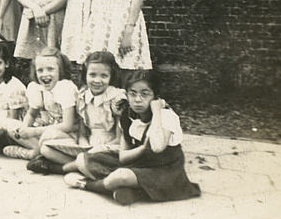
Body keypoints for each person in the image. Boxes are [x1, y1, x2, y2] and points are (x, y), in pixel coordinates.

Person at [63, 71, 201, 205]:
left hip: (164, 172)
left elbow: (157, 147)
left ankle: (87, 184)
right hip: (137, 165)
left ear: (155, 97)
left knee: (121, 176)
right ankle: (131, 190)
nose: (138, 100)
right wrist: (142, 149)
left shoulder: (165, 116)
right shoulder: (128, 116)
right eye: (132, 94)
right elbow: (123, 157)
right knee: (82, 160)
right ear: (127, 95)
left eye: (145, 94)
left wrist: (157, 111)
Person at [27, 51, 126, 175]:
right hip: (88, 145)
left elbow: (119, 139)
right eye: (92, 75)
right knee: (46, 148)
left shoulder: (116, 99)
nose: (97, 80)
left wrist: (93, 151)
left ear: (111, 76)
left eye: (104, 76)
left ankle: (58, 168)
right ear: (85, 75)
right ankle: (81, 165)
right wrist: (83, 145)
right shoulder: (83, 96)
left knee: (86, 159)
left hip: (109, 148)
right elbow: (82, 131)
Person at [3, 47, 77, 160]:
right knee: (11, 125)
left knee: (49, 135)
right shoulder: (37, 88)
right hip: (46, 130)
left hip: (68, 135)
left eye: (50, 69)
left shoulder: (65, 87)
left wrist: (33, 132)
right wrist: (24, 129)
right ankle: (40, 151)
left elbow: (68, 125)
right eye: (40, 70)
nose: (44, 74)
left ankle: (32, 154)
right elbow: (32, 114)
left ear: (61, 70)